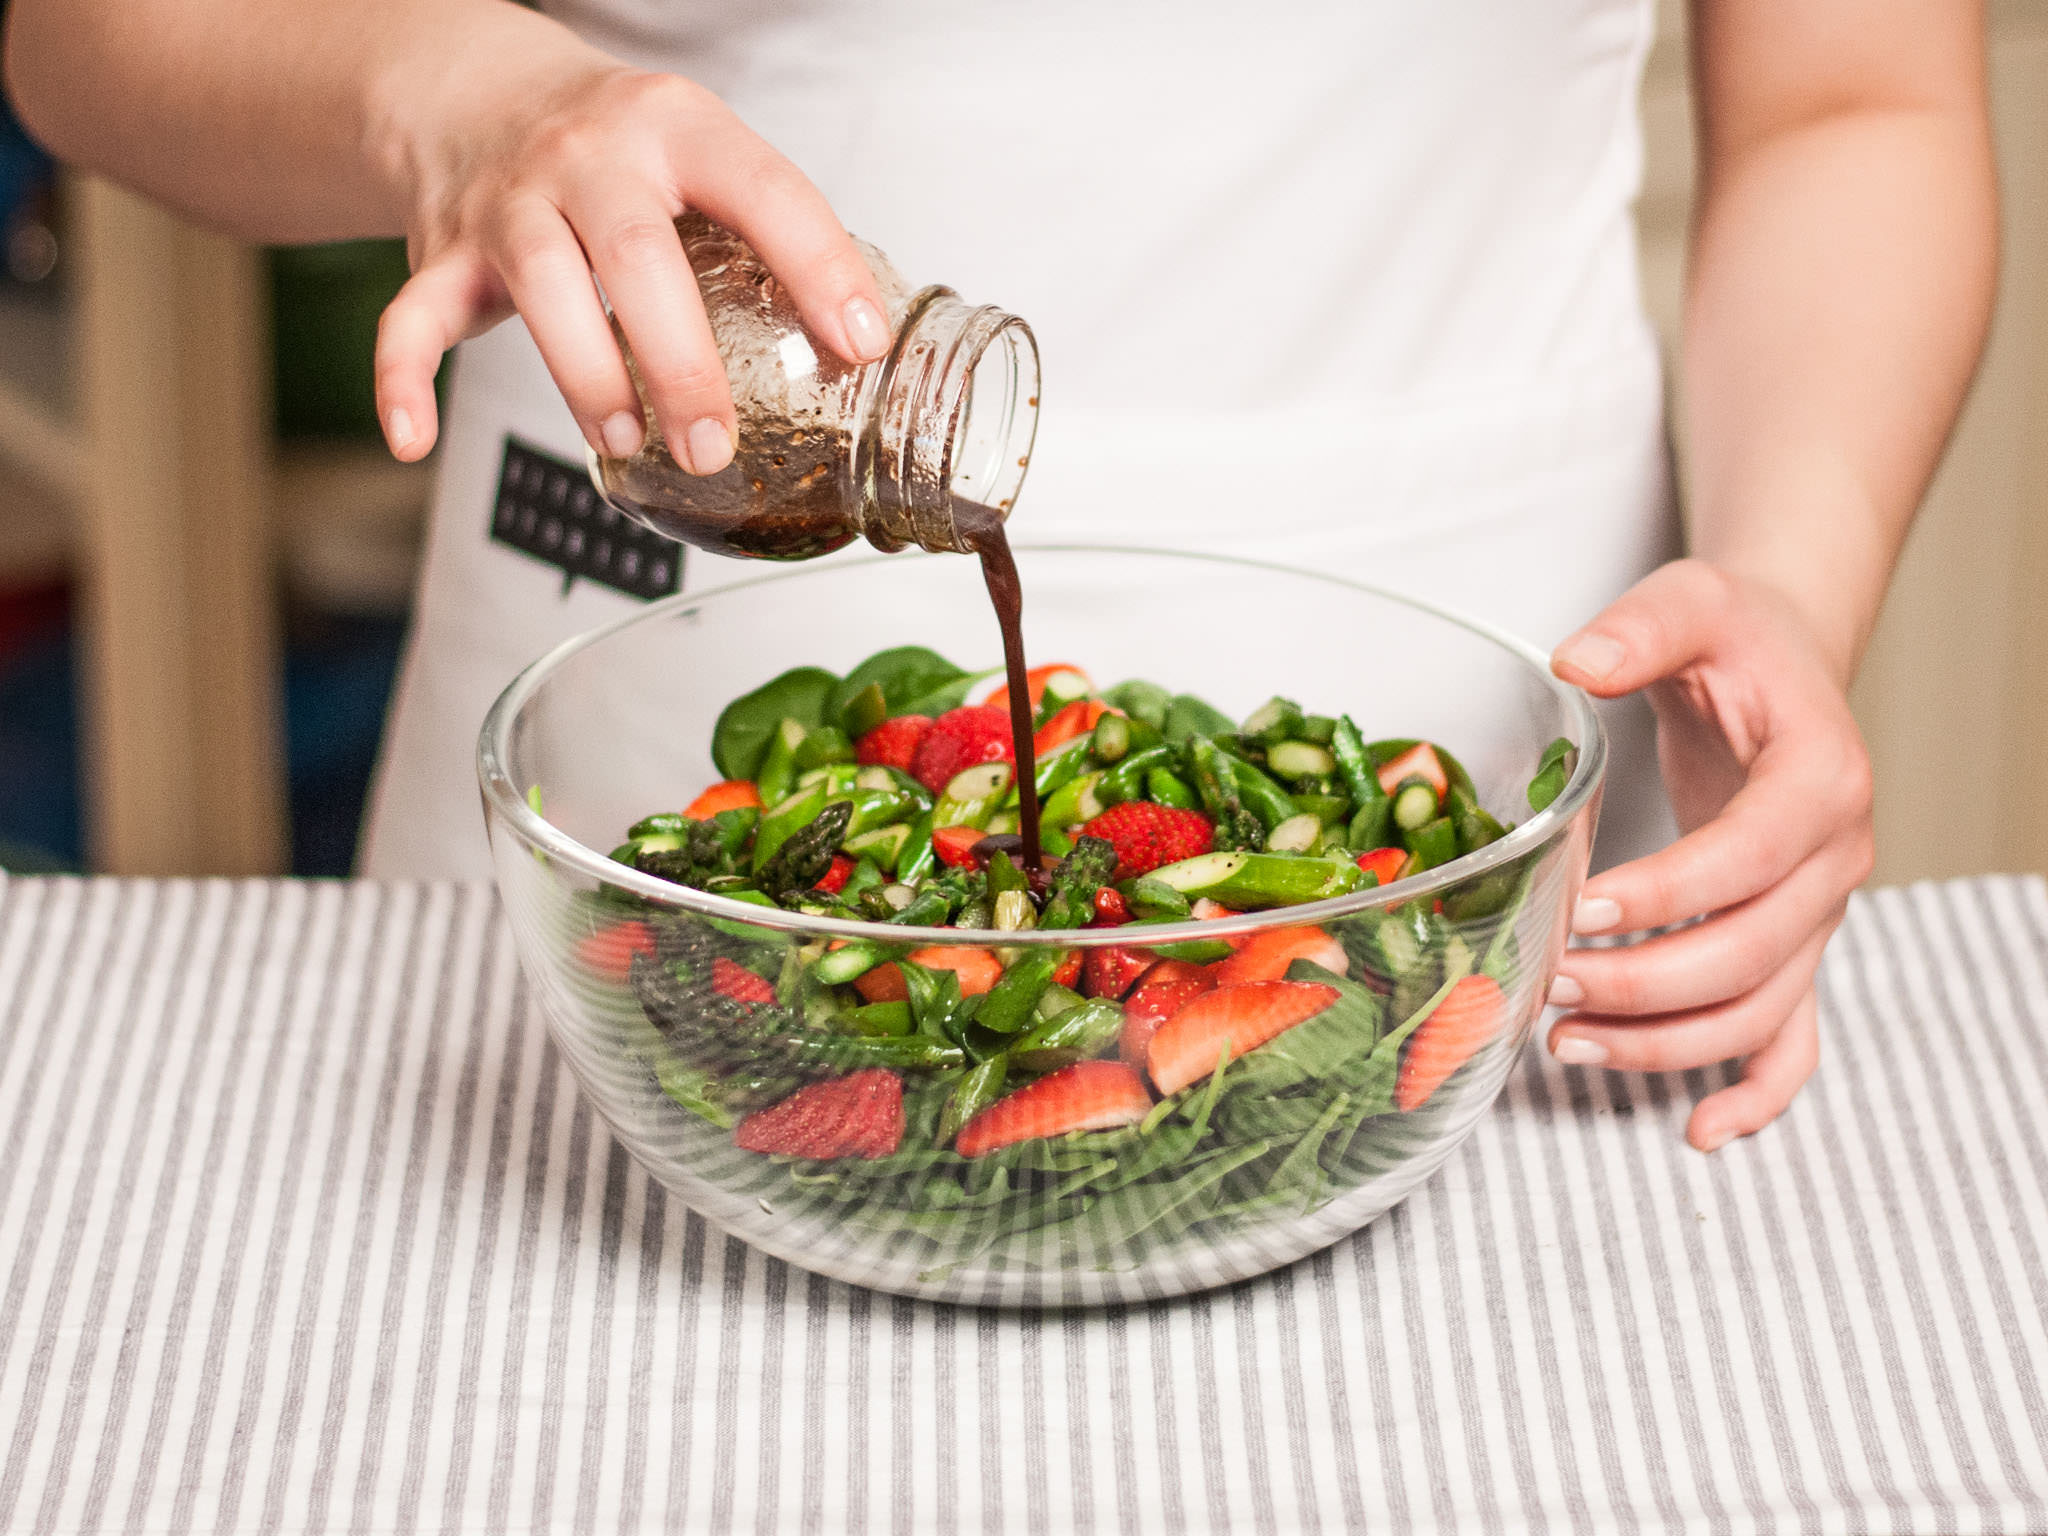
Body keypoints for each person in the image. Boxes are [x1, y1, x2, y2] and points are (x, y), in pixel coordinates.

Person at [3, 0, 1995, 1149]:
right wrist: (456, 100)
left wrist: (1789, 587)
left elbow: (1854, 97)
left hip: (1496, 767)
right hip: (635, 662)